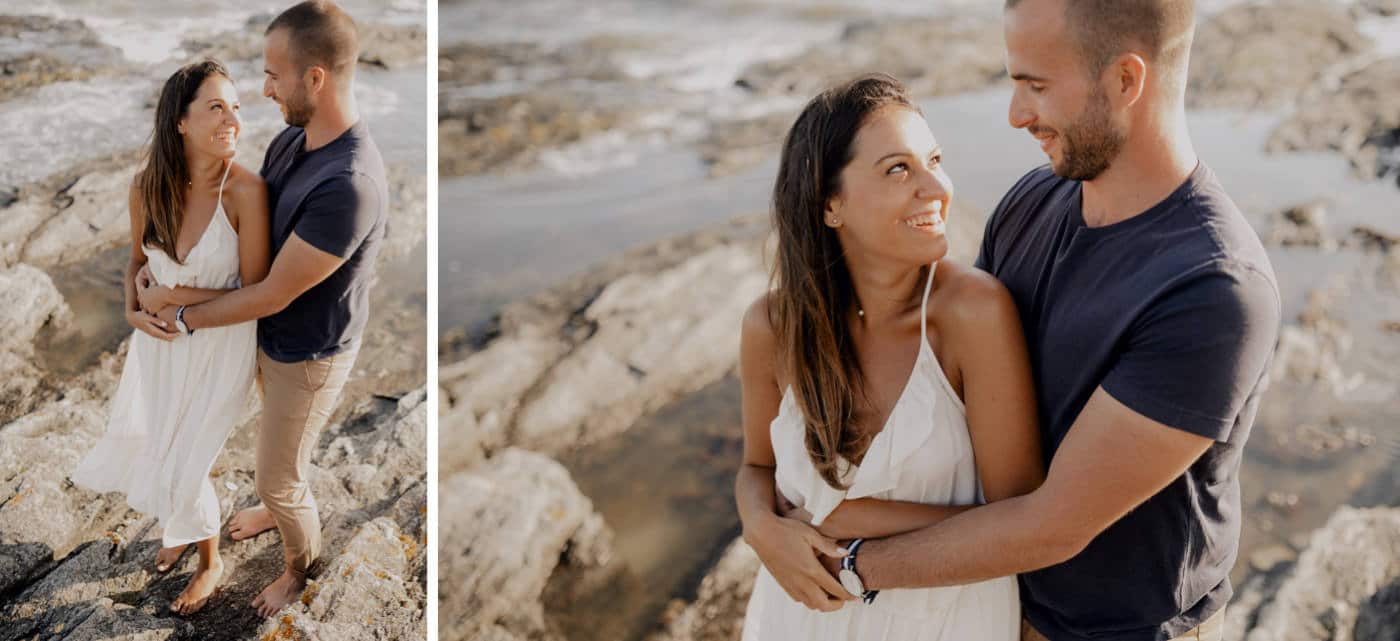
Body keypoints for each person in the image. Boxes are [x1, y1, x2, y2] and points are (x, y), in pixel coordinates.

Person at [741, 1, 1282, 640]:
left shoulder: (1214, 289)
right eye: (1014, 83)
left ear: (1126, 80)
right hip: (991, 606)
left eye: (1036, 85)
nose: (1016, 114)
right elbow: (945, 396)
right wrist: (766, 523)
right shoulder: (1032, 201)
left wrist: (843, 560)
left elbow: (1052, 523)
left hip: (1121, 631)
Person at [735, 74, 1045, 640]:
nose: (937, 187)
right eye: (898, 169)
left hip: (949, 619)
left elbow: (1023, 520)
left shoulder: (971, 313)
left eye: (934, 159)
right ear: (831, 205)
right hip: (804, 619)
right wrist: (760, 527)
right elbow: (757, 468)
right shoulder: (772, 326)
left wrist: (853, 519)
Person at [152, 0, 388, 617]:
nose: (263, 90)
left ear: (315, 78)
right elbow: (245, 227)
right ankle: (278, 507)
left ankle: (297, 569)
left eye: (273, 75)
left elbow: (273, 292)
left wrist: (181, 316)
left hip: (307, 353)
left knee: (277, 477)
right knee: (284, 453)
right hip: (269, 336)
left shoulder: (350, 184)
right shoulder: (294, 141)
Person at [73, 59, 270, 616]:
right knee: (161, 444)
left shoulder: (246, 190)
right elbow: (136, 263)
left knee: (190, 459)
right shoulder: (146, 187)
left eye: (236, 106)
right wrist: (134, 314)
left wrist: (173, 299)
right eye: (215, 106)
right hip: (158, 346)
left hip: (222, 342)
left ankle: (211, 562)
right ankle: (183, 530)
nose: (232, 117)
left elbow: (255, 290)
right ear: (179, 121)